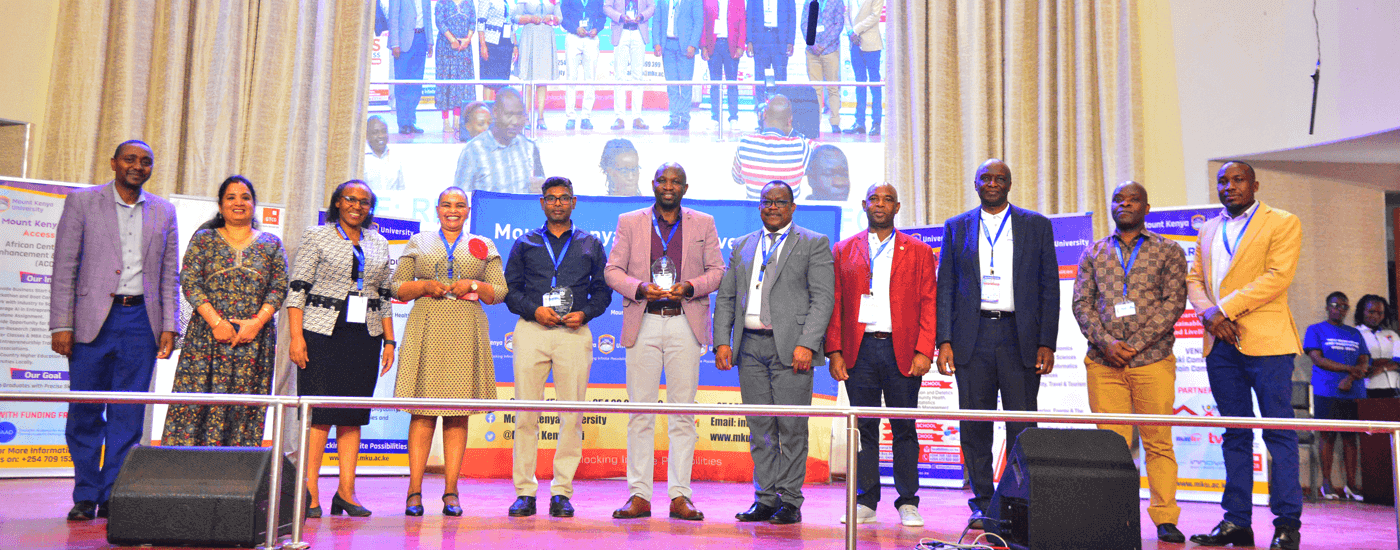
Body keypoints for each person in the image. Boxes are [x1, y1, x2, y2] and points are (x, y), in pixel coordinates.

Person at [50, 140, 178, 521]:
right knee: (85, 411)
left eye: (145, 161)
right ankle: (85, 494)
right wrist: (62, 324)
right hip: (91, 322)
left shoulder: (164, 211)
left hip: (141, 322)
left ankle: (113, 494)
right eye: (130, 159)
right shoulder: (82, 203)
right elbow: (64, 268)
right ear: (113, 163)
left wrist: (170, 325)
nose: (137, 166)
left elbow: (169, 275)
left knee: (128, 413)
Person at [935, 158, 1058, 530]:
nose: (992, 183)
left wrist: (1046, 342)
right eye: (986, 178)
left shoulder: (1035, 225)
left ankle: (1019, 501)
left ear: (1009, 183)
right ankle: (983, 502)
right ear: (975, 184)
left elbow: (1048, 287)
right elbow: (946, 288)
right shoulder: (956, 227)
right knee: (975, 426)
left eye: (999, 178)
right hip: (972, 338)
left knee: (1021, 424)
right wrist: (945, 340)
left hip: (1019, 336)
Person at [1185, 160, 1303, 550]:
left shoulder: (1283, 221)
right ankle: (1237, 522)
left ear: (1255, 184)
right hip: (1220, 344)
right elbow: (1194, 279)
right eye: (1223, 180)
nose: (1229, 186)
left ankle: (1286, 523)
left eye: (1238, 180)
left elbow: (1277, 276)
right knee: (1234, 434)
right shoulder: (1207, 228)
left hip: (1267, 343)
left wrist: (1224, 310)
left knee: (1279, 433)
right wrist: (1208, 314)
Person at [604, 162, 725, 521]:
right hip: (644, 321)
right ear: (653, 185)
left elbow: (717, 271)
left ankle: (679, 496)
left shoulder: (704, 222)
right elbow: (613, 271)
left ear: (685, 188)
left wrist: (692, 286)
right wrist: (638, 287)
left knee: (683, 416)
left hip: (684, 323)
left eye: (675, 181)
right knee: (639, 413)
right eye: (662, 180)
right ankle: (639, 495)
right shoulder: (630, 221)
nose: (668, 186)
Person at [1070, 181, 1188, 543]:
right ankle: (1114, 514)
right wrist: (1108, 343)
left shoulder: (1168, 250)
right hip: (1104, 364)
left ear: (1146, 208)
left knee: (1158, 443)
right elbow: (1081, 304)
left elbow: (1174, 304)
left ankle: (1165, 518)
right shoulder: (1094, 252)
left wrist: (1132, 345)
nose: (1124, 205)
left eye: (1132, 200)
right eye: (1118, 200)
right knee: (1110, 445)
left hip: (1152, 360)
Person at [714, 180, 834, 525]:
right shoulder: (742, 245)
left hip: (793, 349)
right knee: (760, 428)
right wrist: (723, 340)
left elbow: (823, 298)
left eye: (780, 202)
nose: (772, 207)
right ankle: (765, 499)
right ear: (759, 206)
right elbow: (726, 298)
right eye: (767, 201)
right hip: (749, 347)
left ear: (792, 207)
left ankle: (791, 501)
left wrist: (807, 344)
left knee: (792, 428)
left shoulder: (813, 243)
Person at [391, 187, 507, 517]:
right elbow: (396, 287)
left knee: (457, 412)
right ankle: (414, 491)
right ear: (437, 208)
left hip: (465, 329)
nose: (452, 210)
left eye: (459, 206)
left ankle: (451, 491)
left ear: (468, 211)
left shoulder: (484, 245)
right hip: (426, 326)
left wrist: (473, 285)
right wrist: (425, 286)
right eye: (446, 205)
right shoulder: (419, 242)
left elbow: (499, 292)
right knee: (422, 411)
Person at [826, 183, 936, 527]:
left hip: (901, 349)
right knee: (864, 429)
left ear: (897, 207)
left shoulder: (918, 251)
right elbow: (836, 305)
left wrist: (924, 349)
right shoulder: (843, 250)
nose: (880, 204)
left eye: (887, 200)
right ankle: (866, 500)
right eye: (874, 199)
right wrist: (835, 351)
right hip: (860, 350)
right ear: (863, 204)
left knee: (905, 428)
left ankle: (907, 502)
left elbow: (928, 303)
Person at [503, 177, 613, 518]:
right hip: (533, 329)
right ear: (542, 203)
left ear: (574, 202)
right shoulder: (525, 243)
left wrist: (586, 313)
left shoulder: (590, 244)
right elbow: (510, 290)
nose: (557, 204)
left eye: (564, 198)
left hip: (573, 333)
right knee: (525, 414)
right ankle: (525, 492)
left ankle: (562, 491)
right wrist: (533, 309)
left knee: (572, 415)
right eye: (551, 198)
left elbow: (604, 292)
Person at [287, 180, 397, 518]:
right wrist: (296, 337)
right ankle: (310, 492)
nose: (357, 206)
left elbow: (384, 294)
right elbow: (297, 289)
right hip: (320, 332)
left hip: (364, 335)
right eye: (350, 199)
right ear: (337, 203)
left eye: (364, 201)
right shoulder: (316, 236)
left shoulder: (379, 242)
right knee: (319, 414)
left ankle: (346, 493)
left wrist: (390, 340)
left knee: (352, 415)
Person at [163, 176, 288, 447]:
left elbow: (278, 288)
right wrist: (216, 322)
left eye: (245, 197)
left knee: (243, 410)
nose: (238, 203)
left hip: (254, 341)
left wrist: (256, 323)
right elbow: (190, 281)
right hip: (206, 339)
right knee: (196, 406)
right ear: (220, 206)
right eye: (231, 197)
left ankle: (236, 480)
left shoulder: (271, 244)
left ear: (254, 205)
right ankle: (185, 476)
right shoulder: (204, 239)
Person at [1304, 291, 1368, 502]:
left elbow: (1364, 360)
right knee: (1327, 436)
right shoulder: (1315, 330)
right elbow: (1318, 359)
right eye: (1335, 305)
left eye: (1344, 307)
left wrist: (1350, 378)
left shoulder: (1355, 334)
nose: (1339, 310)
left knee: (1351, 438)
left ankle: (1351, 485)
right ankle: (1327, 484)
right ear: (1327, 307)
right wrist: (1351, 369)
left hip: (1353, 391)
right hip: (1326, 390)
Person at [454, 87, 545, 193]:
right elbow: (460, 199)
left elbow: (542, 189)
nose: (515, 121)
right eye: (509, 114)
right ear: (495, 112)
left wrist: (542, 188)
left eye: (519, 115)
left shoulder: (530, 148)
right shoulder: (473, 151)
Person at [732, 94, 812, 199]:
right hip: (788, 214)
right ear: (790, 120)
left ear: (763, 114)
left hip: (756, 213)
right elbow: (822, 151)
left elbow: (738, 179)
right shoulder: (801, 146)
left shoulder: (745, 143)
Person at [653, 0, 702, 131]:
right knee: (672, 85)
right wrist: (656, 42)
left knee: (685, 85)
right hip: (667, 46)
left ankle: (685, 119)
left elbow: (698, 22)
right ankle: (674, 118)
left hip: (686, 47)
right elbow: (657, 21)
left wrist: (693, 44)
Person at [605, 0, 654, 130]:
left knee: (638, 77)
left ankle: (637, 117)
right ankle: (619, 117)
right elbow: (607, 7)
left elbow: (652, 7)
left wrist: (642, 16)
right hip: (621, 31)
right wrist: (619, 16)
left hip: (639, 31)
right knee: (619, 76)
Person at [561, 0, 608, 130]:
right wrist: (575, 28)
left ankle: (586, 117)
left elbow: (602, 18)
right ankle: (570, 116)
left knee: (590, 79)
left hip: (591, 40)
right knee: (571, 78)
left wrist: (596, 29)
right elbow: (563, 18)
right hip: (573, 37)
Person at [388, 0, 433, 134]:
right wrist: (395, 43)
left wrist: (430, 41)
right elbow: (393, 18)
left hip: (421, 39)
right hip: (403, 42)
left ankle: (411, 121)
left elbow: (428, 17)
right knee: (402, 84)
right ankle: (403, 123)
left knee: (416, 84)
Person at [516, 0, 562, 129]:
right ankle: (526, 118)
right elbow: (515, 17)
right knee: (529, 80)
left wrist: (551, 17)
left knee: (543, 79)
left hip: (546, 38)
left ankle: (540, 118)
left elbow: (560, 18)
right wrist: (529, 18)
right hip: (529, 37)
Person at [800, 0, 843, 134]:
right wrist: (812, 43)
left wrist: (824, 45)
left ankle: (835, 122)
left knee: (833, 88)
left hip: (830, 50)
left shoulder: (836, 2)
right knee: (815, 89)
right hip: (812, 52)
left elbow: (839, 25)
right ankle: (815, 122)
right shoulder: (809, 2)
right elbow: (804, 24)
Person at [434, 0, 477, 132]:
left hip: (464, 48)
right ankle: (445, 121)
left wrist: (468, 39)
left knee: (461, 84)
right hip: (446, 47)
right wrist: (452, 40)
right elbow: (440, 22)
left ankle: (457, 120)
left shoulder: (469, 2)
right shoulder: (442, 2)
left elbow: (472, 21)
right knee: (446, 82)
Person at [700, 0, 745, 128]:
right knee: (715, 83)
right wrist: (703, 46)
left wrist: (741, 45)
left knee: (732, 83)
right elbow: (703, 22)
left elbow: (742, 21)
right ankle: (715, 117)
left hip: (731, 45)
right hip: (713, 45)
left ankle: (733, 118)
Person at [843, 0, 883, 136]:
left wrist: (855, 30)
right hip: (854, 44)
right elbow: (846, 14)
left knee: (874, 84)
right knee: (860, 84)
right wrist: (850, 32)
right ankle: (859, 122)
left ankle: (876, 123)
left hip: (871, 44)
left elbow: (874, 16)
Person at [745, 0, 795, 107]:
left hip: (780, 38)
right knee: (759, 76)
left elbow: (792, 16)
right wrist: (749, 40)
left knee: (780, 76)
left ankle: (781, 108)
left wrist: (790, 41)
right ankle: (760, 107)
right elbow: (748, 16)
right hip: (760, 38)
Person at [1356, 294, 1400, 399]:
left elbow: (1399, 361)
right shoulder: (1354, 334)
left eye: (1380, 313)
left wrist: (1381, 368)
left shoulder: (1392, 335)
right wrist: (1390, 362)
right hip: (1368, 388)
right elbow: (1360, 363)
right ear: (1362, 311)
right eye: (1371, 312)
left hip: (1395, 388)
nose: (1376, 316)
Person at [478, 0, 519, 98]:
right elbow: (480, 22)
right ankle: (487, 110)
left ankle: (500, 110)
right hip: (491, 42)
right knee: (488, 81)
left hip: (507, 43)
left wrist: (515, 45)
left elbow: (513, 23)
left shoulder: (511, 1)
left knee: (503, 81)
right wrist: (482, 45)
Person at [365, 116, 405, 191]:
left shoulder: (395, 157)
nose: (381, 136)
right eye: (375, 132)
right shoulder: (360, 159)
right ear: (367, 135)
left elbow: (401, 189)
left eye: (384, 131)